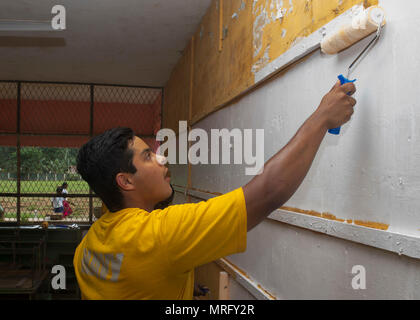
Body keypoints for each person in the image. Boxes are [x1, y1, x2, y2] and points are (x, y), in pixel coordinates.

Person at [73, 81, 356, 299]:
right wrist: (322, 118)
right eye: (147, 156)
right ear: (126, 182)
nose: (161, 159)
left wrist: (174, 284)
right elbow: (268, 191)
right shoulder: (158, 235)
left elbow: (132, 279)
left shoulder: (88, 246)